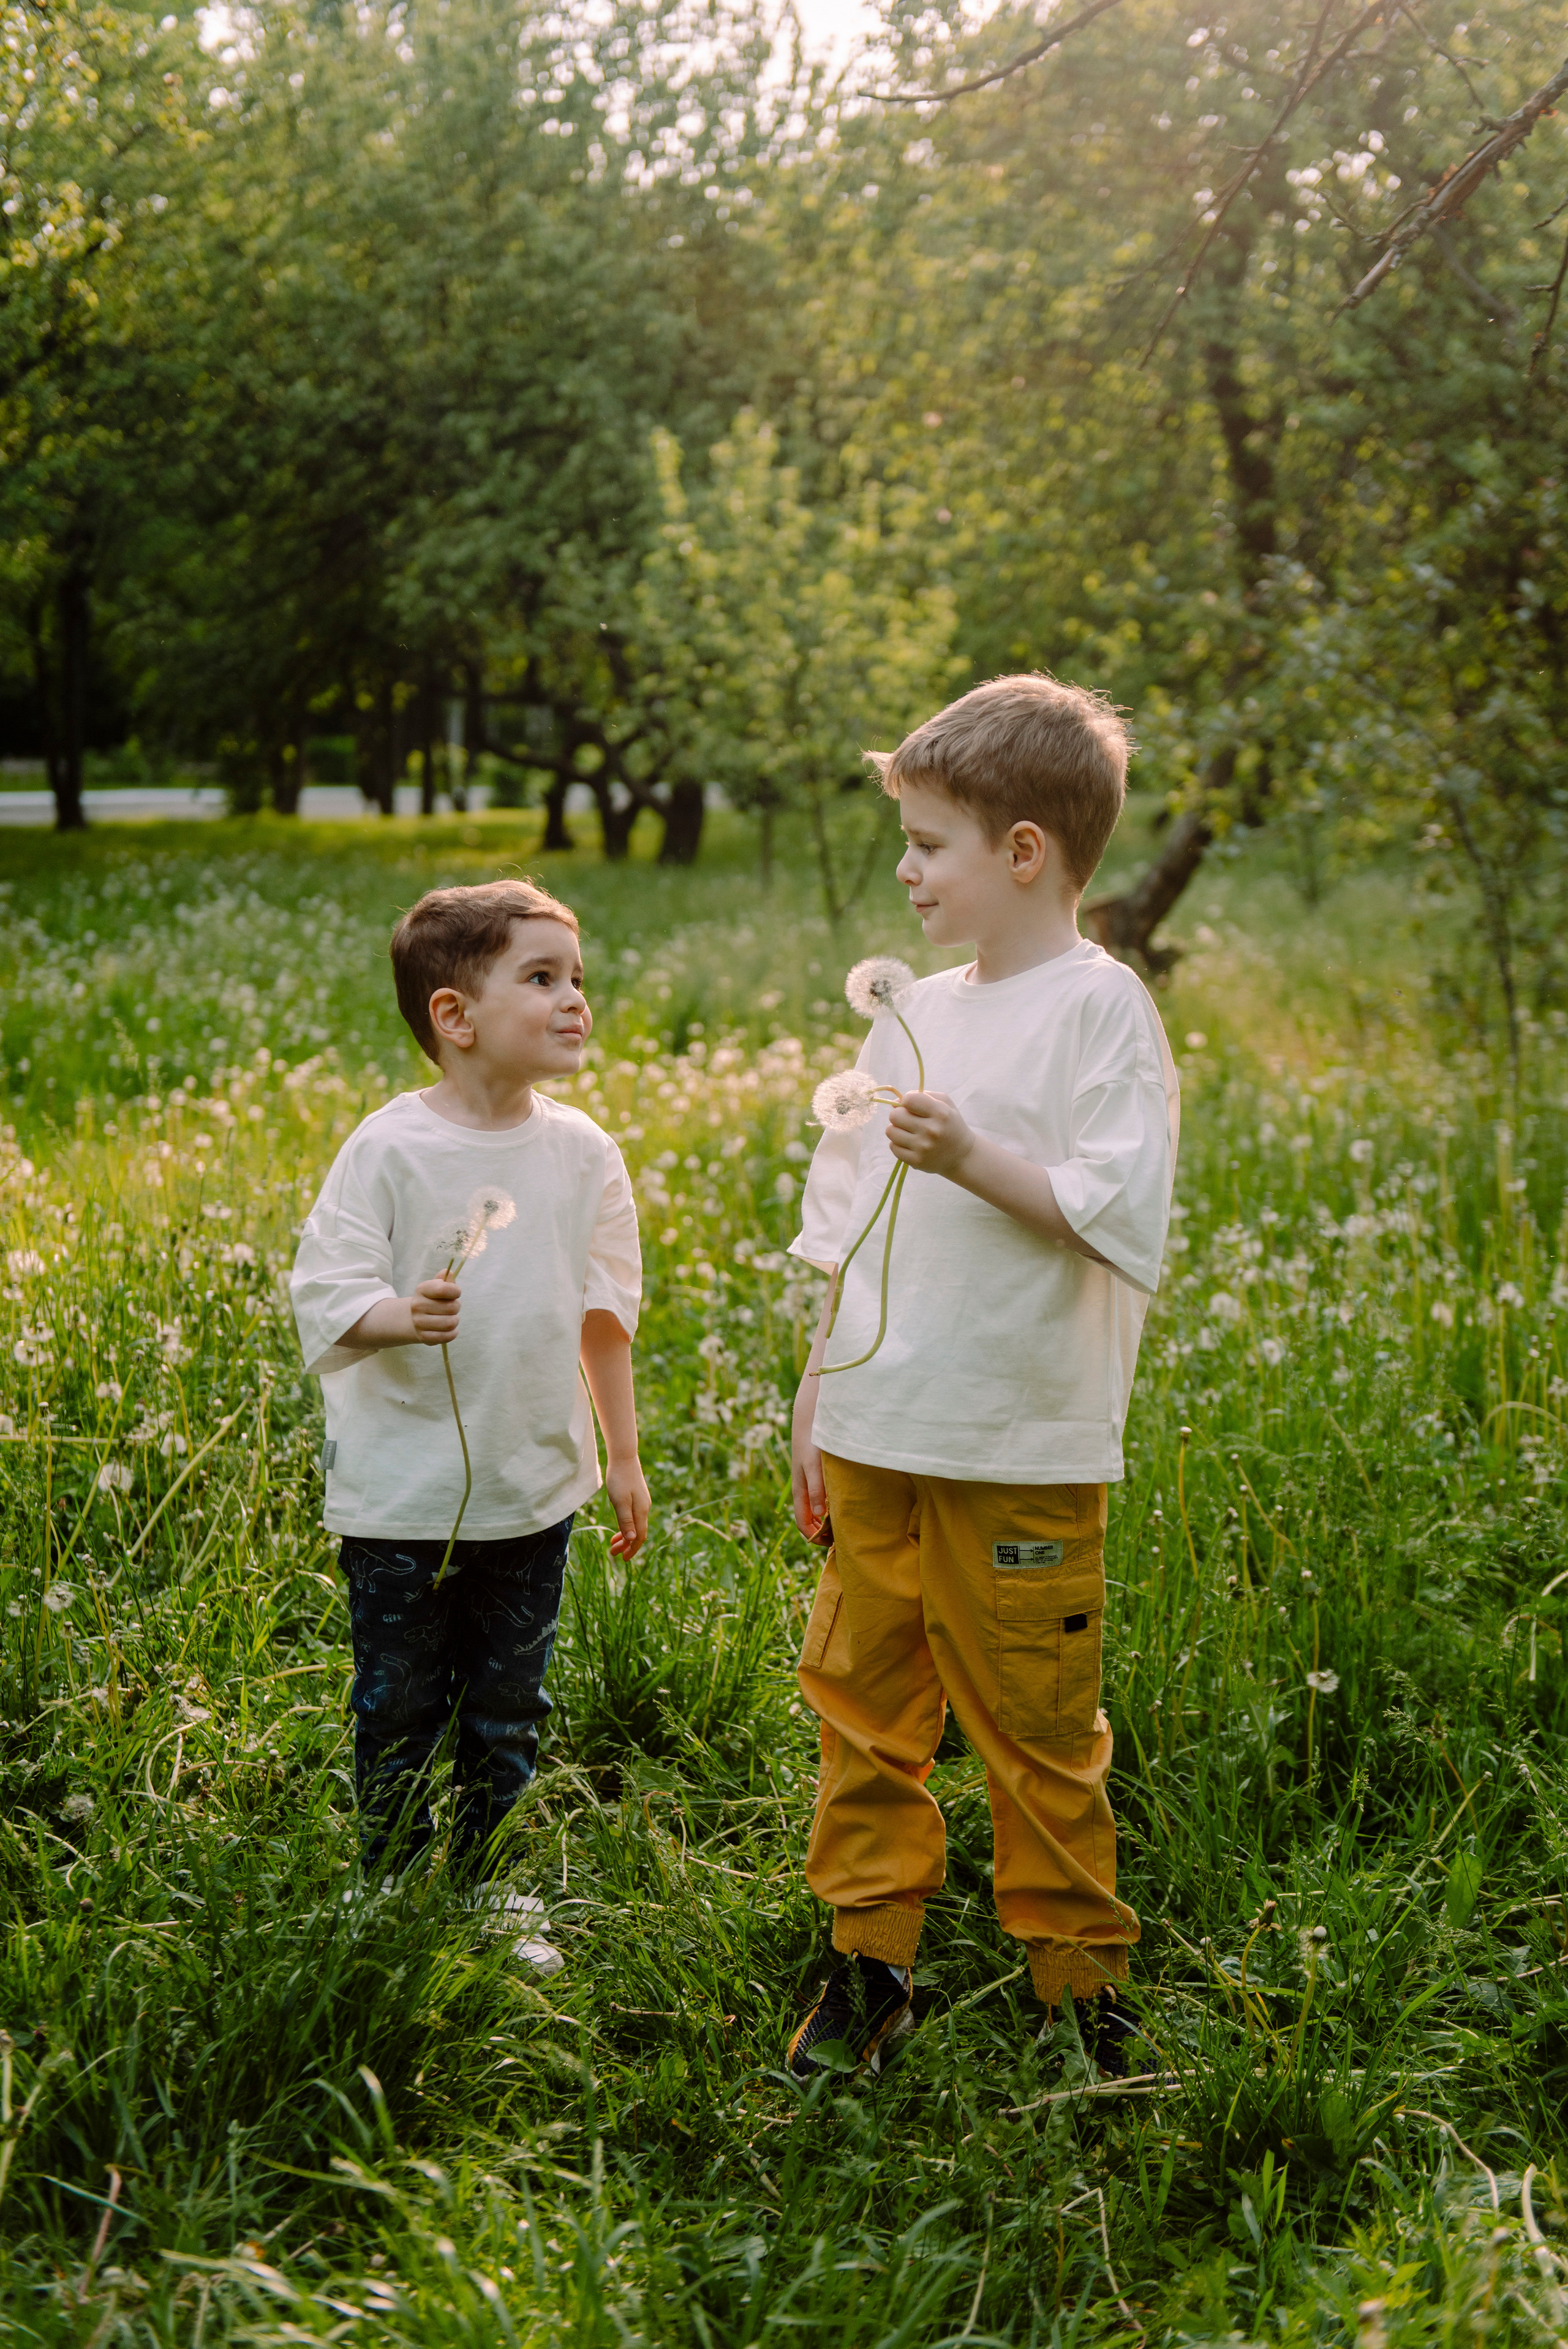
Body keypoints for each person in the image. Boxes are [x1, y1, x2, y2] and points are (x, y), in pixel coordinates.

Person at [786, 674, 1178, 2079]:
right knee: (860, 1705)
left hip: (1018, 1438)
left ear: (1023, 852)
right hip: (883, 1425)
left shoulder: (1096, 1007)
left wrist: (971, 1160)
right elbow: (845, 1220)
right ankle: (867, 1960)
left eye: (928, 842)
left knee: (1034, 1721)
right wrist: (817, 1394)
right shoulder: (907, 1011)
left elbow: (1113, 1212)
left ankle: (1078, 1984)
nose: (903, 868)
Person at [290, 878, 648, 1954]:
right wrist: (400, 1314)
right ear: (455, 1016)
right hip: (401, 1494)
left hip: (533, 1484)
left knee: (510, 1704)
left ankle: (491, 1880)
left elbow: (606, 1312)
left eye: (577, 977)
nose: (575, 999)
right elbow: (324, 1287)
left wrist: (621, 1455)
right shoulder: (390, 1149)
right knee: (397, 1699)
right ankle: (392, 1883)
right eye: (542, 978)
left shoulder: (584, 1153)